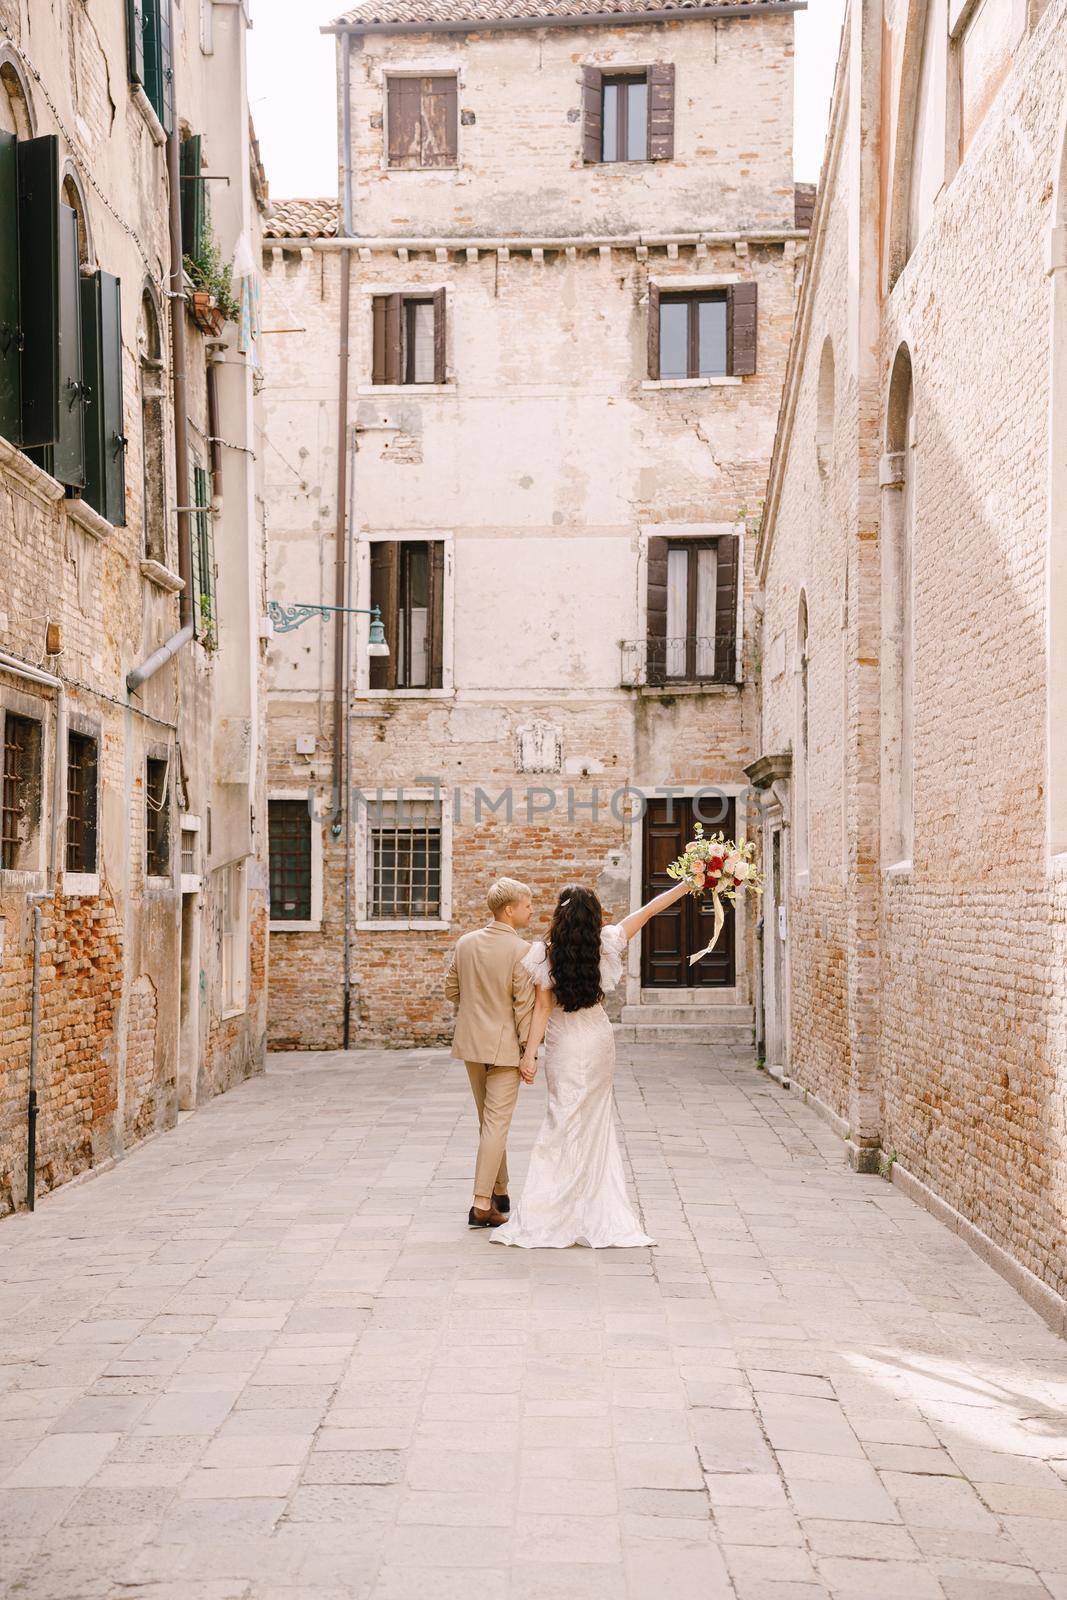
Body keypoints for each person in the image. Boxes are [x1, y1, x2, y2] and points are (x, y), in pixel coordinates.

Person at [491, 871, 701, 1250]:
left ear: (560, 916)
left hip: (565, 1045)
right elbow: (650, 910)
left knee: (561, 1120)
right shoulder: (606, 942)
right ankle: (592, 1206)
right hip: (598, 1040)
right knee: (595, 1123)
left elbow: (541, 1008)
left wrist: (529, 1055)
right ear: (594, 916)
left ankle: (550, 1209)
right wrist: (687, 884)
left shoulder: (544, 952)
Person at [444, 877, 536, 1228]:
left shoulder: (465, 943)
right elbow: (523, 1007)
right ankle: (482, 1205)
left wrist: (476, 1008)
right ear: (509, 910)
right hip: (505, 1048)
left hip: (471, 1044)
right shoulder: (521, 950)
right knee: (496, 1124)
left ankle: (500, 1190)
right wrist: (530, 1053)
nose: (531, 911)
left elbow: (452, 990)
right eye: (527, 905)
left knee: (488, 1122)